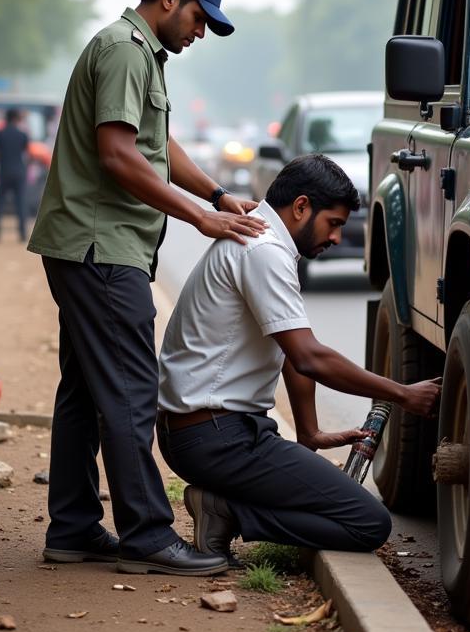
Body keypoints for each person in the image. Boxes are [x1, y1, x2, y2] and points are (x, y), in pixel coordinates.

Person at [28, 0, 265, 577]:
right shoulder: (126, 49)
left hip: (92, 247)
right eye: (198, 17)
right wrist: (200, 218)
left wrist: (216, 194)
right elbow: (118, 155)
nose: (200, 32)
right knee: (133, 391)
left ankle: (73, 529)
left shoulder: (138, 53)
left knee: (84, 390)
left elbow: (156, 146)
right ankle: (148, 536)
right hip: (102, 249)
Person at [156, 154, 441, 561]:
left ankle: (225, 507)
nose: (338, 239)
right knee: (367, 523)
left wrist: (308, 432)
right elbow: (308, 357)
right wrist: (402, 393)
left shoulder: (265, 244)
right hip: (217, 439)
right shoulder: (264, 251)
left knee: (329, 502)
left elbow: (290, 351)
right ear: (302, 207)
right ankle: (225, 512)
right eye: (335, 224)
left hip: (206, 432)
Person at [0, 108, 30, 242]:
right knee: (20, 203)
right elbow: (26, 154)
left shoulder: (0, 134)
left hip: (4, 172)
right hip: (19, 172)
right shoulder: (23, 135)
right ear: (17, 119)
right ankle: (23, 234)